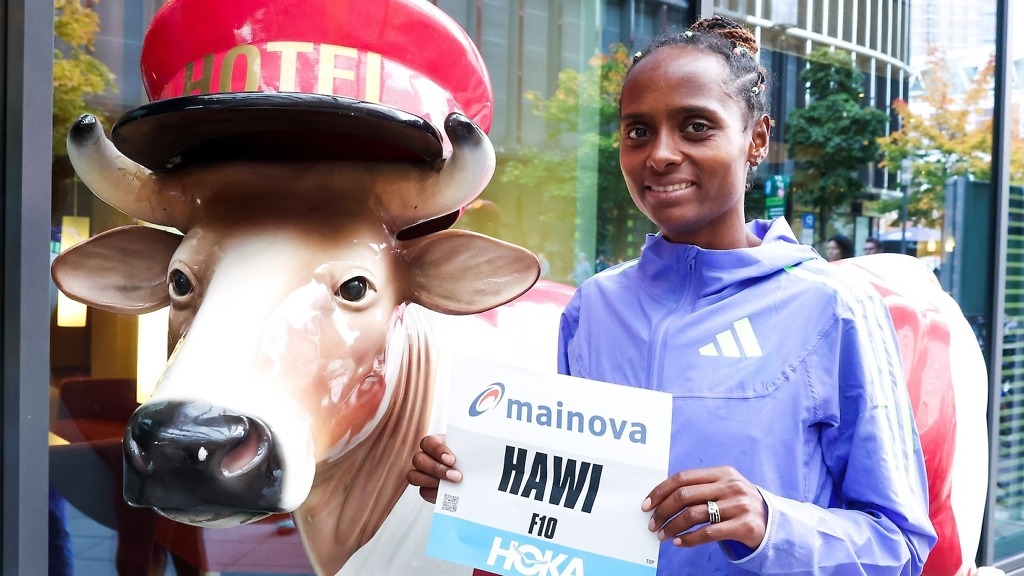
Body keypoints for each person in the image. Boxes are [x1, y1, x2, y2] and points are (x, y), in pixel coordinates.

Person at [409, 15, 935, 575]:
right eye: (638, 131)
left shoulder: (833, 308)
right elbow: (574, 521)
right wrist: (483, 485)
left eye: (696, 127)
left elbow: (900, 546)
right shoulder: (593, 308)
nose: (659, 154)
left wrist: (769, 523)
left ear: (756, 139)